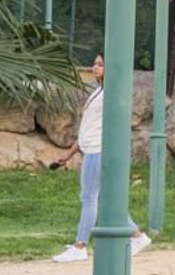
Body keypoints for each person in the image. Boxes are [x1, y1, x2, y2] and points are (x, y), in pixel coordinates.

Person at [50, 55, 151, 262]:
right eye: (94, 63)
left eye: (100, 64)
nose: (94, 67)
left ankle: (80, 246)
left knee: (89, 198)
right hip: (90, 150)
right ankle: (138, 237)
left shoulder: (111, 94)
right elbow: (88, 128)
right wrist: (68, 155)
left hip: (98, 151)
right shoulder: (98, 91)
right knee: (104, 201)